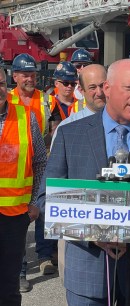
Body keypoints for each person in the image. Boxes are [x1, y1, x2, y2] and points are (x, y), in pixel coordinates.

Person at [36, 59, 130, 306]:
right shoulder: (69, 135)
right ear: (107, 88)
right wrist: (94, 234)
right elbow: (45, 199)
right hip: (88, 273)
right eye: (129, 88)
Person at [50, 64, 107, 282]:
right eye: (92, 87)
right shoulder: (67, 130)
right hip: (78, 233)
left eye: (103, 85)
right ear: (81, 91)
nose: (99, 92)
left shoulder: (125, 125)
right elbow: (55, 186)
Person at [8, 53, 57, 291]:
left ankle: (45, 255)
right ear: (14, 76)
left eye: (33, 74)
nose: (30, 78)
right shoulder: (7, 100)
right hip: (12, 174)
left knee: (41, 212)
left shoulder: (46, 100)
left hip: (39, 166)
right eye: (25, 74)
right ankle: (20, 272)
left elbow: (54, 129)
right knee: (16, 233)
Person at [0, 66, 47, 305]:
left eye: (0, 84)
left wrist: (33, 202)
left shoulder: (25, 116)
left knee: (9, 284)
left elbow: (39, 161)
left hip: (14, 216)